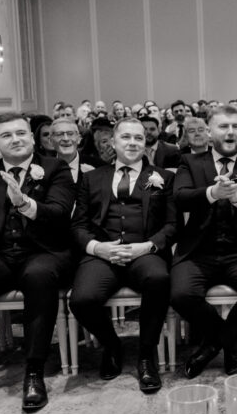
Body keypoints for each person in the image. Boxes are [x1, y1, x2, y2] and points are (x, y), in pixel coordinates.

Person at [0, 113, 76, 411]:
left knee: (38, 276)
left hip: (45, 252)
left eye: (21, 133)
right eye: (6, 135)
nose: (15, 139)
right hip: (0, 255)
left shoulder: (56, 168)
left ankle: (34, 373)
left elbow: (58, 213)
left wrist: (23, 203)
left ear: (32, 137)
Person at [170, 105, 237, 379]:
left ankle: (214, 344)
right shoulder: (190, 162)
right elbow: (180, 196)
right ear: (209, 132)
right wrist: (212, 192)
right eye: (223, 126)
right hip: (199, 251)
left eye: (236, 126)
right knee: (180, 294)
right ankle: (230, 342)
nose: (230, 132)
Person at [69, 118, 176, 393]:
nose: (132, 143)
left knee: (159, 279)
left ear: (146, 143)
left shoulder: (164, 177)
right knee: (81, 300)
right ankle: (111, 344)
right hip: (103, 253)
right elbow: (78, 225)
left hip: (144, 252)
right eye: (126, 137)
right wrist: (98, 248)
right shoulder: (92, 178)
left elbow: (173, 226)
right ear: (113, 143)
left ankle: (146, 355)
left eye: (138, 138)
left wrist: (148, 246)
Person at [50, 117, 93, 184]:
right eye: (59, 134)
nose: (66, 139)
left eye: (70, 134)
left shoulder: (97, 166)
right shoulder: (43, 168)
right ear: (51, 141)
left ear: (79, 139)